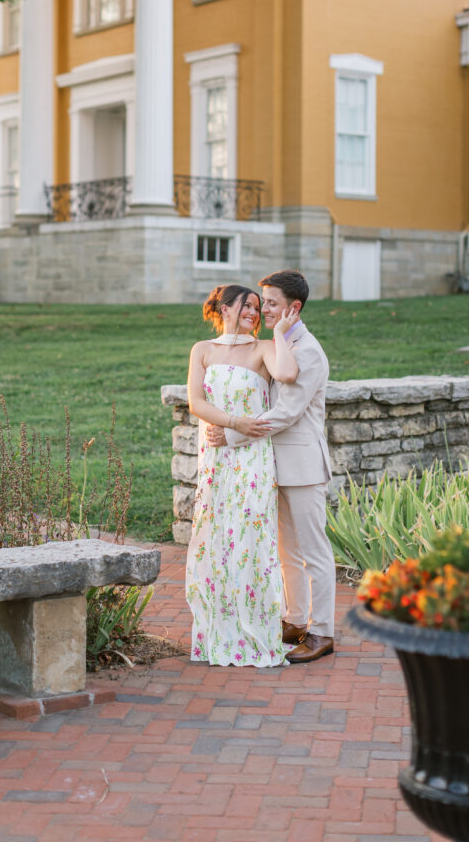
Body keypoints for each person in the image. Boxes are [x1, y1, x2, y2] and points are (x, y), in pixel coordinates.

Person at [206, 270, 335, 664]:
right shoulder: (276, 345)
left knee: (314, 552)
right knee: (286, 553)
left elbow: (286, 413)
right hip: (271, 465)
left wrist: (232, 435)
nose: (264, 310)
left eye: (272, 304)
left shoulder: (308, 351)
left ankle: (323, 632)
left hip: (303, 465)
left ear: (294, 308)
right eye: (262, 303)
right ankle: (294, 621)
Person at [185, 283, 299, 666]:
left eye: (257, 307)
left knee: (251, 536)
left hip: (252, 460)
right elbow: (195, 401)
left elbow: (286, 372)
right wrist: (234, 422)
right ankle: (218, 631)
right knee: (216, 537)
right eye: (247, 306)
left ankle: (256, 628)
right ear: (225, 308)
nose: (254, 312)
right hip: (216, 457)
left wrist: (279, 333)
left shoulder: (263, 348)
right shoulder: (202, 350)